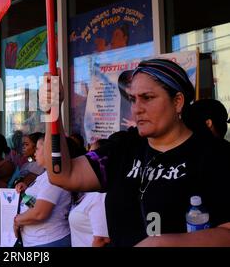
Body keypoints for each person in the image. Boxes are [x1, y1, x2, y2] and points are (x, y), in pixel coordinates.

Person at [42, 59, 230, 246]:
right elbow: (63, 174)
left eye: (147, 98)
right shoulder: (124, 147)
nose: (136, 109)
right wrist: (52, 112)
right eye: (133, 99)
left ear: (178, 101)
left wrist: (163, 243)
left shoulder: (216, 155)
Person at [13, 135, 71, 247]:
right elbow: (35, 203)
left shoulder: (54, 177)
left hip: (48, 241)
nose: (35, 152)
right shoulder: (46, 175)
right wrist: (26, 191)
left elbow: (39, 213)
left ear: (49, 151)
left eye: (38, 149)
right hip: (39, 240)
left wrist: (17, 220)